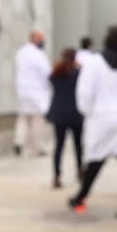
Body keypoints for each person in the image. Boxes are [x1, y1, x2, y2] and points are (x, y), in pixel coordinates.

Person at [69, 26, 117, 221]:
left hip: (101, 118)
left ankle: (80, 198)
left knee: (95, 161)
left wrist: (88, 113)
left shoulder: (94, 63)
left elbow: (85, 94)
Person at [47, 48, 85, 189]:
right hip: (75, 113)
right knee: (78, 146)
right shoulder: (78, 74)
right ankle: (80, 171)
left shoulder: (57, 73)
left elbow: (50, 79)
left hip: (59, 114)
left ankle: (56, 176)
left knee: (59, 146)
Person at [14, 30, 52, 157]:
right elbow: (46, 73)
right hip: (37, 92)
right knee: (37, 121)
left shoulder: (21, 52)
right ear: (34, 39)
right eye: (40, 39)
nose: (42, 42)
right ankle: (38, 147)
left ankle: (18, 142)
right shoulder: (39, 55)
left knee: (23, 119)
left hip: (23, 91)